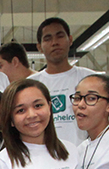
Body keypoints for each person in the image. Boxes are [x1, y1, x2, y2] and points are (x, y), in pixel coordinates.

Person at [28, 17, 95, 148]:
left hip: (84, 156)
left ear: (70, 40)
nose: (54, 43)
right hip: (44, 158)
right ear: (39, 47)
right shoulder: (31, 85)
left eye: (59, 36)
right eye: (47, 39)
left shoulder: (90, 78)